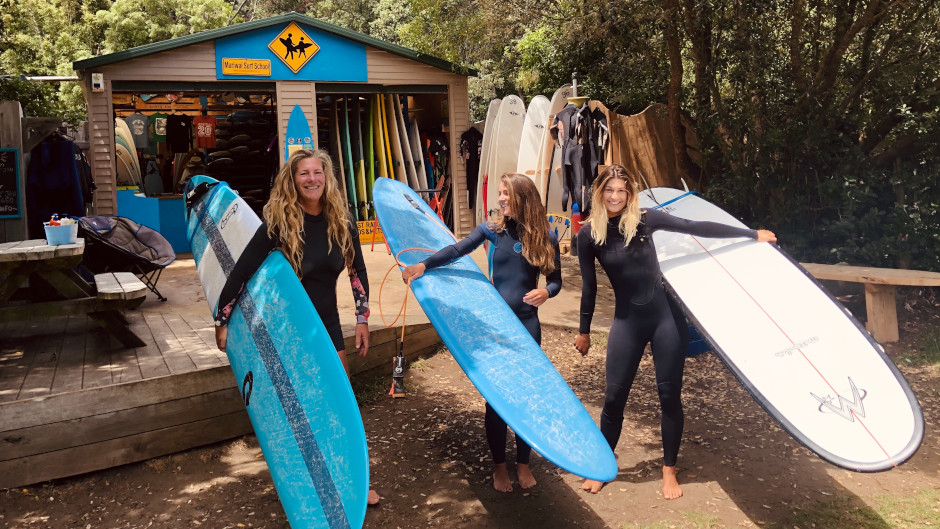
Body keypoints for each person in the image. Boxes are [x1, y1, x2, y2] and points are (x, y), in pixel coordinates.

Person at [574, 164, 777, 500]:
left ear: (630, 194)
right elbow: (589, 287)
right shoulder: (588, 235)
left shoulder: (646, 220)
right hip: (627, 322)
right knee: (613, 397)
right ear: (599, 193)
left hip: (665, 318)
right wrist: (584, 331)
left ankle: (669, 470)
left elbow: (693, 226)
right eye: (609, 190)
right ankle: (603, 462)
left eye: (621, 191)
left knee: (668, 396)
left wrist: (751, 234)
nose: (615, 196)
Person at [213, 148, 379, 505]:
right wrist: (223, 319)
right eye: (303, 173)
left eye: (317, 172)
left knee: (340, 403)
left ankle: (354, 482)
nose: (312, 179)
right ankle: (309, 480)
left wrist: (362, 318)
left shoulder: (341, 220)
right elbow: (242, 272)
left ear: (326, 176)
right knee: (301, 405)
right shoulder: (279, 223)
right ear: (293, 179)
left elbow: (357, 272)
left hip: (328, 323)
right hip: (287, 328)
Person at [401, 173, 562, 493]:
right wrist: (424, 265)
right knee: (496, 398)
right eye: (500, 193)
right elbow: (456, 249)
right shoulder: (493, 230)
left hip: (527, 325)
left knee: (525, 397)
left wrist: (547, 293)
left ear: (523, 197)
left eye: (506, 193)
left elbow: (556, 280)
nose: (500, 199)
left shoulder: (545, 236)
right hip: (496, 328)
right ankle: (500, 467)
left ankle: (523, 463)